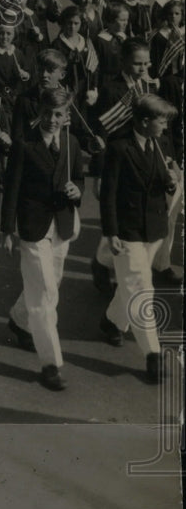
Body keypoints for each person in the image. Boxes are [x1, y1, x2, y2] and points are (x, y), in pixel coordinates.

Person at [1, 87, 85, 391]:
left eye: (58, 114)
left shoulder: (72, 143)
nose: (52, 119)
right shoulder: (25, 145)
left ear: (67, 116)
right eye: (47, 112)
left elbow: (79, 178)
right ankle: (51, 364)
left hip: (62, 225)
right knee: (46, 293)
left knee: (53, 282)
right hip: (33, 227)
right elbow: (11, 188)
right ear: (40, 111)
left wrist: (78, 192)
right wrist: (7, 229)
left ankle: (19, 319)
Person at [99, 93, 179, 383]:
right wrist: (111, 232)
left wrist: (170, 182)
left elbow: (159, 183)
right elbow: (108, 195)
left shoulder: (158, 144)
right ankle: (153, 353)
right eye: (161, 121)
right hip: (128, 230)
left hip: (153, 229)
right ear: (145, 122)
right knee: (142, 287)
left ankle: (111, 321)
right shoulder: (119, 149)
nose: (165, 127)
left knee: (133, 282)